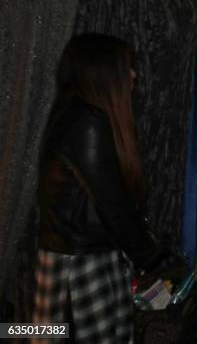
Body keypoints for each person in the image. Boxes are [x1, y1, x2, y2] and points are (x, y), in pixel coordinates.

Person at [33, 34, 165, 343]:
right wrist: (150, 255)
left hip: (66, 254)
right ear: (102, 70)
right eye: (127, 67)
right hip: (81, 263)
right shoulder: (87, 121)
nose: (133, 75)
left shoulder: (71, 112)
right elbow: (112, 205)